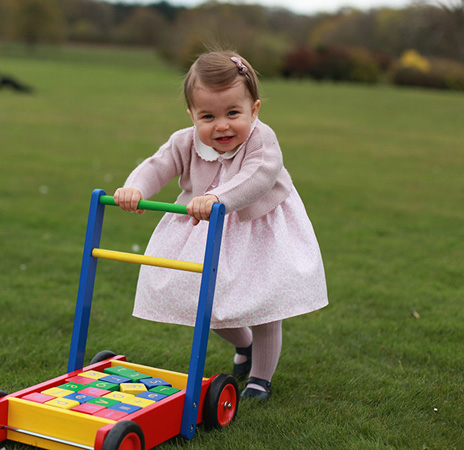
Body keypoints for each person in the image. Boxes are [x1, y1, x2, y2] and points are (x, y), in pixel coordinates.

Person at [114, 50, 328, 402]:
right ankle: (243, 346)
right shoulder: (185, 141)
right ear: (192, 115)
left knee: (263, 307)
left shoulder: (262, 139)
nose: (222, 125)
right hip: (208, 228)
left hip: (259, 229)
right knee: (208, 305)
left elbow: (258, 176)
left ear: (254, 109)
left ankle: (260, 378)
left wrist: (217, 197)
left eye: (233, 113)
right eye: (208, 116)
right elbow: (158, 164)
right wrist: (135, 187)